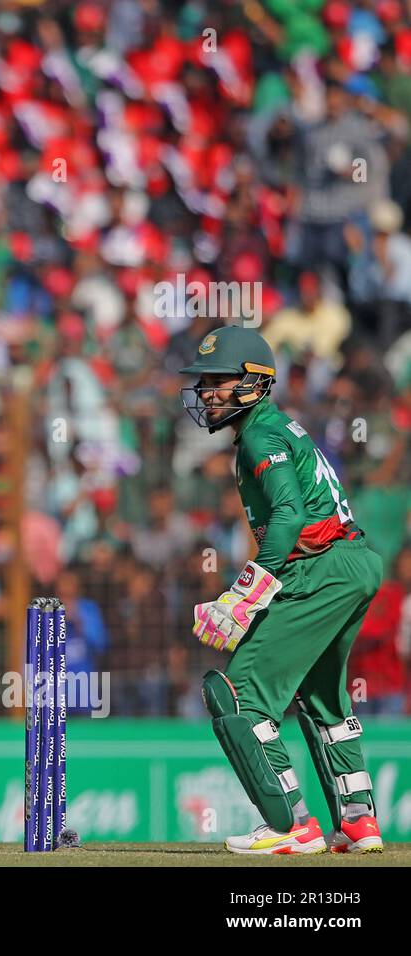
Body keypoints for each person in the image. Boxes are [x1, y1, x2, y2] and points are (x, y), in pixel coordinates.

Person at [180, 326, 383, 855]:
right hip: (352, 563)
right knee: (321, 695)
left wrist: (244, 593)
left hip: (317, 568)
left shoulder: (258, 436)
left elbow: (290, 516)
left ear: (254, 383)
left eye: (220, 380)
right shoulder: (275, 428)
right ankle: (358, 821)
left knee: (240, 694)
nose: (207, 391)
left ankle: (291, 824)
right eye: (204, 381)